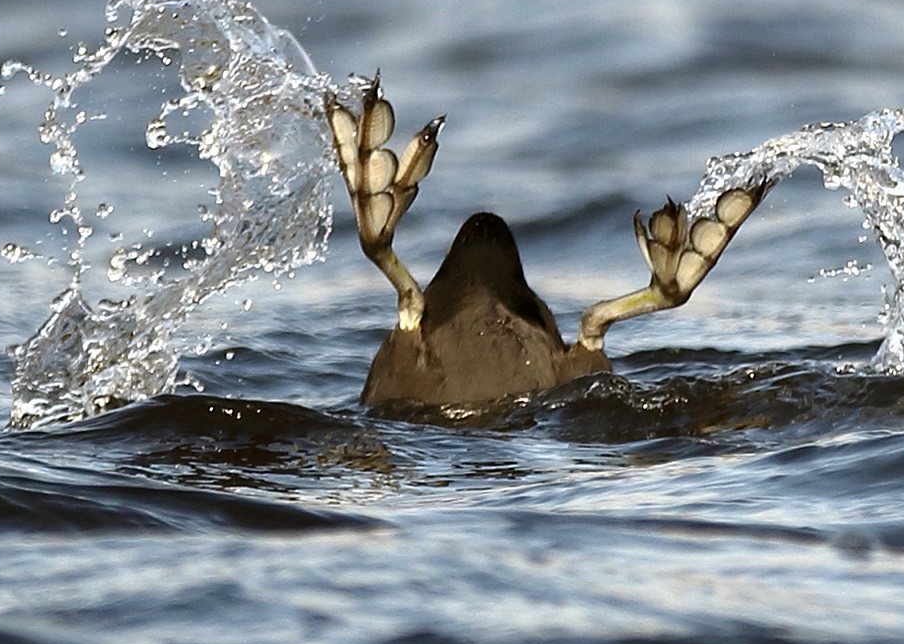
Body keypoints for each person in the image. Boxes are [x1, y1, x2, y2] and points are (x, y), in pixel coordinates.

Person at [325, 82, 770, 407]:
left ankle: (382, 252)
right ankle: (383, 253)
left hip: (427, 388)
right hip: (533, 377)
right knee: (582, 374)